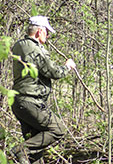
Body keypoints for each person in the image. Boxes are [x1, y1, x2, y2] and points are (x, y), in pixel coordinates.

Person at [11, 15, 76, 164]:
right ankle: (19, 150)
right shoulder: (35, 49)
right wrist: (67, 66)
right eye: (47, 31)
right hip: (31, 102)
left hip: (19, 103)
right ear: (40, 31)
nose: (48, 35)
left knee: (34, 153)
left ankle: (23, 153)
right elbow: (54, 72)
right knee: (58, 129)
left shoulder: (18, 45)